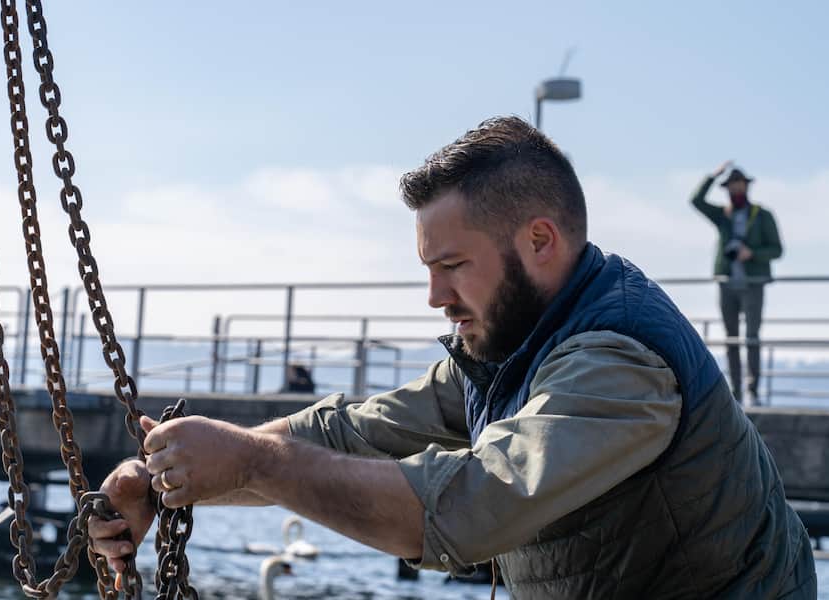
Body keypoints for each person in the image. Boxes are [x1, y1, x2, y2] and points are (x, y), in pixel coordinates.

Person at [90, 117, 815, 599]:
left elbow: (467, 506)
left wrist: (254, 464)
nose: (435, 296)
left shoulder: (620, 364)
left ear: (539, 241)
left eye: (453, 266)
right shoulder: (504, 349)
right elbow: (347, 434)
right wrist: (162, 477)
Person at [691, 162, 783, 404]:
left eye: (739, 183)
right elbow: (696, 201)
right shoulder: (723, 216)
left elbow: (777, 249)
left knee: (751, 337)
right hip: (727, 283)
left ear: (746, 185)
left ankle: (753, 390)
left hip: (753, 282)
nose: (736, 188)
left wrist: (751, 253)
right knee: (730, 338)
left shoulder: (762, 216)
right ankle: (736, 391)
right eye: (731, 184)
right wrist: (712, 175)